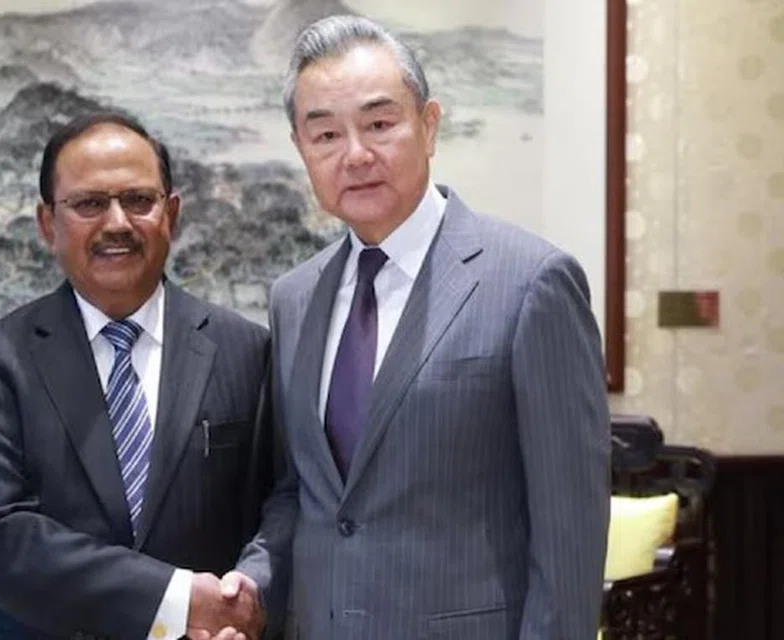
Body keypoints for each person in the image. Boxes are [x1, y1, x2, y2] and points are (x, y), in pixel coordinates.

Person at [227, 14, 612, 639]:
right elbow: (302, 494)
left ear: (428, 126)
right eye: (326, 134)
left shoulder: (531, 284)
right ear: (301, 148)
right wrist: (253, 585)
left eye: (380, 124)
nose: (356, 154)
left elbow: (569, 534)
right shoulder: (294, 298)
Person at [0, 112, 274, 639]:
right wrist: (177, 602)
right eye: (90, 204)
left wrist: (246, 593)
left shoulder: (247, 350)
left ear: (171, 213)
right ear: (47, 223)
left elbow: (281, 503)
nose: (117, 222)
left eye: (138, 200)